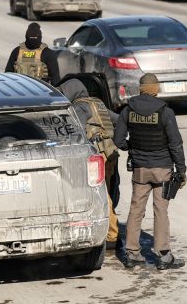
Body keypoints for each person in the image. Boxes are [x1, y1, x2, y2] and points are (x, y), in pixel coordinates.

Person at [114, 73, 187, 270]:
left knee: (136, 209)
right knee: (160, 210)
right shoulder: (165, 112)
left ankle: (132, 254)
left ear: (141, 89)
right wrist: (181, 170)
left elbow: (118, 140)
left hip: (140, 169)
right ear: (156, 90)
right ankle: (163, 256)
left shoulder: (128, 110)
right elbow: (175, 144)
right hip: (162, 169)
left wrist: (132, 147)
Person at [60, 78, 121, 249]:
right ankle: (113, 232)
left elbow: (75, 133)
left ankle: (112, 236)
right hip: (110, 152)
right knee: (108, 193)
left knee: (102, 196)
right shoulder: (96, 103)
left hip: (98, 156)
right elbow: (118, 119)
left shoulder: (79, 107)